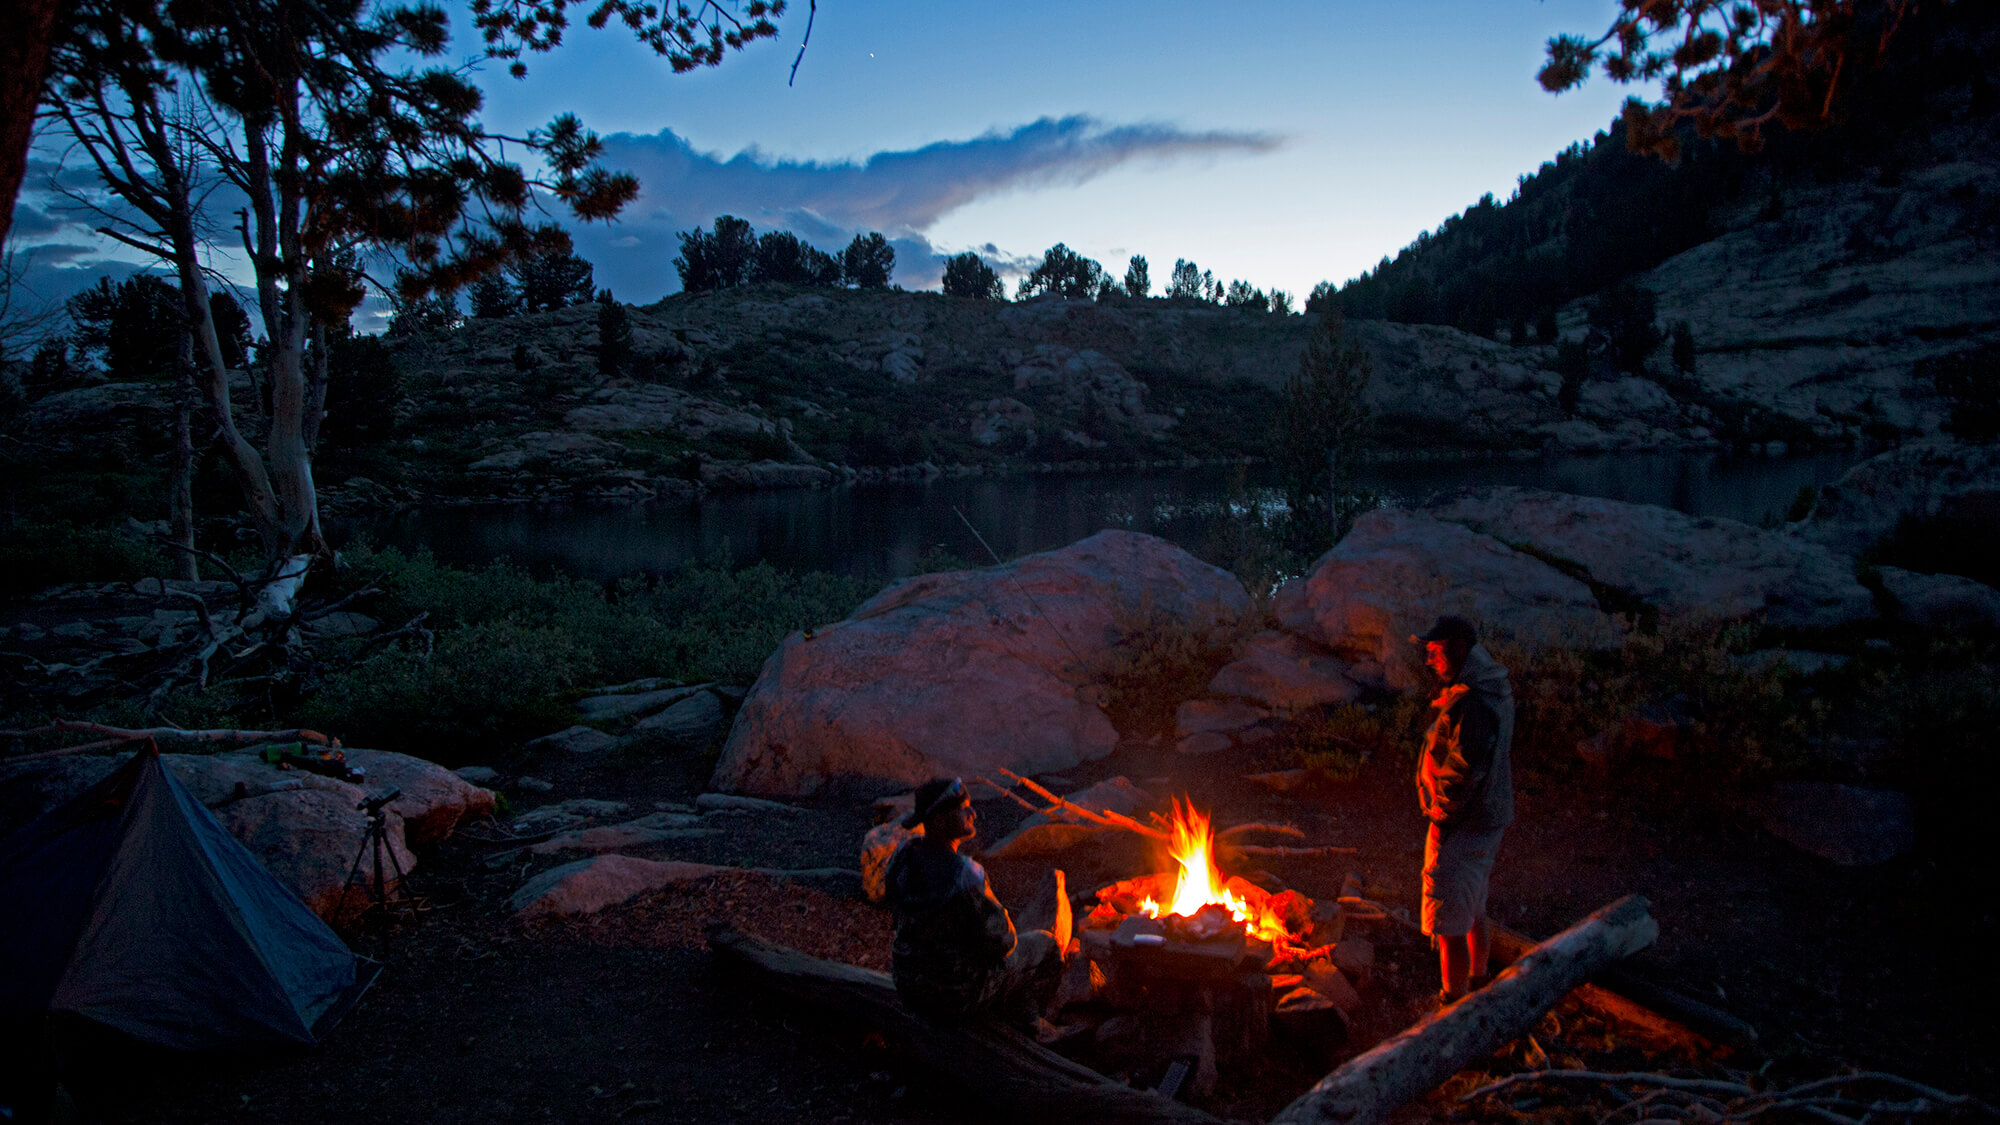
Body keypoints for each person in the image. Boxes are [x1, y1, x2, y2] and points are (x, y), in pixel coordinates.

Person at [883, 777, 1068, 1023]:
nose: (973, 813)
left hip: (907, 982)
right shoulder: (964, 874)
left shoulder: (902, 857)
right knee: (1046, 946)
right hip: (953, 994)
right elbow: (1005, 942)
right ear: (939, 820)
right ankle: (1028, 1024)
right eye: (964, 808)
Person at [1411, 615, 1515, 1005]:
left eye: (1435, 652)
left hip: (1464, 823)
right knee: (1473, 905)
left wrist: (1440, 816)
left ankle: (1451, 1002)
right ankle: (1479, 980)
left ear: (1456, 649)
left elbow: (1465, 770)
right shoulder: (1487, 687)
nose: (1429, 661)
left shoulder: (1474, 702)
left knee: (1450, 919)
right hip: (1486, 818)